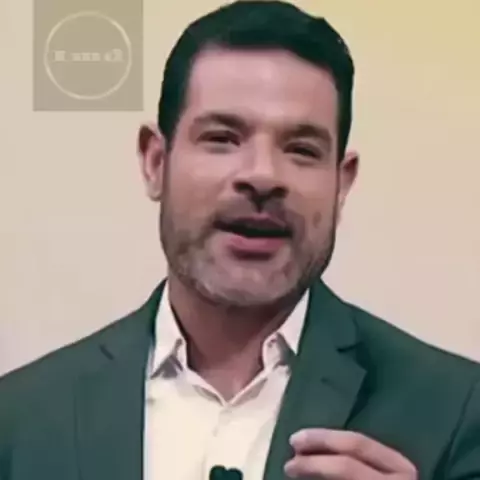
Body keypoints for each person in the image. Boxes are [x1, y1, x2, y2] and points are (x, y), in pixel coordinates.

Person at [1, 1, 479, 479]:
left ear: (342, 183)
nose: (263, 175)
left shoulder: (458, 413)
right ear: (156, 162)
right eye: (223, 138)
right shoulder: (19, 419)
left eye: (302, 149)